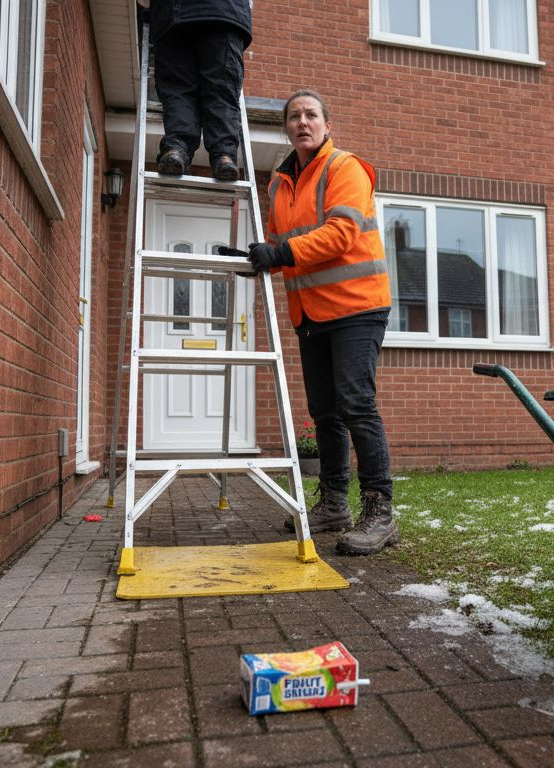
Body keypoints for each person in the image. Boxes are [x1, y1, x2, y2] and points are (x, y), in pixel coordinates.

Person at [247, 89, 398, 556]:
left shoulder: (344, 168)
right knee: (325, 414)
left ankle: (380, 512)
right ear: (286, 128)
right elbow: (282, 247)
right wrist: (253, 259)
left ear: (327, 125)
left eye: (311, 115)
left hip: (357, 306)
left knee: (356, 405)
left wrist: (280, 252)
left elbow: (341, 234)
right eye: (294, 116)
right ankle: (334, 504)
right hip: (311, 313)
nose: (302, 122)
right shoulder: (279, 184)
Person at [147, 0, 250, 182]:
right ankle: (224, 156)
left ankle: (177, 149)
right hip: (224, 12)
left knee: (177, 89)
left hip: (173, 15)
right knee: (222, 92)